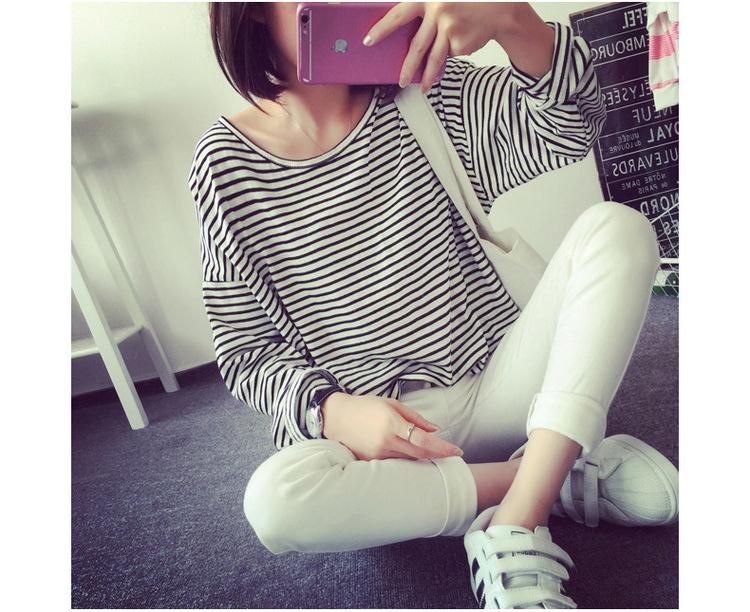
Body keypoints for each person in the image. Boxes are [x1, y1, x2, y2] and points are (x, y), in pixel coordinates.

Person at [188, 2, 679, 609]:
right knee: (276, 502)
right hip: (383, 446)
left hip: (499, 388)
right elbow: (245, 350)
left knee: (617, 230)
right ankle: (552, 472)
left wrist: (513, 19)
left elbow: (572, 125)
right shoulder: (225, 164)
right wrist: (333, 412)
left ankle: (519, 516)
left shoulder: (424, 91)